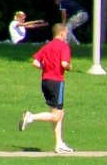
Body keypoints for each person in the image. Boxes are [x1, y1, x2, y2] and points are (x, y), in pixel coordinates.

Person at [18, 22, 73, 155]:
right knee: (56, 115)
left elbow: (35, 62)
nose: (67, 35)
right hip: (57, 81)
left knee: (59, 113)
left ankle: (59, 144)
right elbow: (64, 64)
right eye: (66, 33)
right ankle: (31, 117)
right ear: (61, 33)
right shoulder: (64, 47)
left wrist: (46, 67)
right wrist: (70, 67)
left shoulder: (47, 46)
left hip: (46, 81)